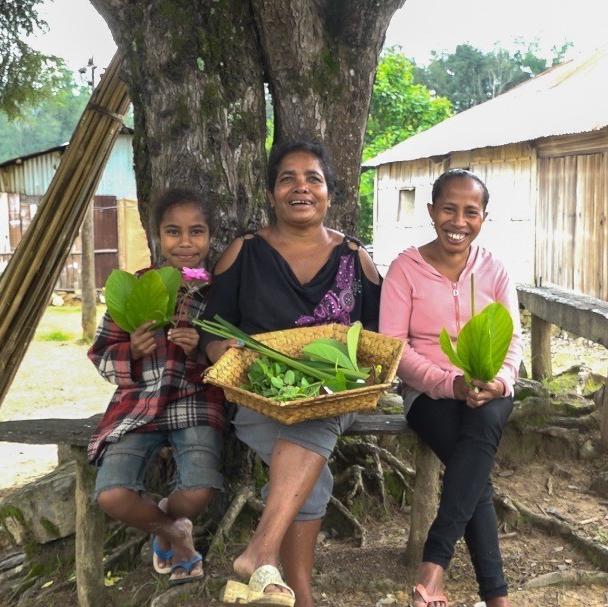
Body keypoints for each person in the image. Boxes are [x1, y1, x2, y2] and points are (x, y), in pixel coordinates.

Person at [200, 139, 381, 607]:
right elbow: (209, 335)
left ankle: (261, 554)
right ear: (271, 193)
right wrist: (228, 349)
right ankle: (296, 592)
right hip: (260, 394)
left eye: (313, 179)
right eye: (287, 179)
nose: (301, 187)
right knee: (314, 474)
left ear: (330, 193)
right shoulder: (244, 253)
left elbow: (380, 339)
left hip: (334, 394)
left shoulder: (356, 258)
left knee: (318, 412)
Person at [379, 169, 523, 607]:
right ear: (431, 212)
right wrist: (451, 385)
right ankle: (493, 596)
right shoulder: (406, 269)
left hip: (491, 388)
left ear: (483, 218)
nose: (458, 221)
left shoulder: (494, 269)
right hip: (428, 394)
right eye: (448, 209)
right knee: (474, 473)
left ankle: (433, 573)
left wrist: (498, 382)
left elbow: (512, 338)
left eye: (471, 212)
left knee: (477, 443)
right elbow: (393, 349)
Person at [87, 187, 227, 585]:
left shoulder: (218, 293)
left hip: (196, 402)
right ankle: (175, 533)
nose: (185, 243)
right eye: (173, 232)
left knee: (198, 492)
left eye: (196, 232)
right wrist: (130, 350)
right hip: (137, 404)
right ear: (157, 236)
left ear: (211, 236)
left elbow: (234, 360)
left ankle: (169, 513)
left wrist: (202, 350)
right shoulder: (136, 288)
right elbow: (101, 356)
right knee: (111, 495)